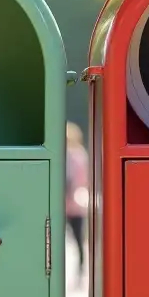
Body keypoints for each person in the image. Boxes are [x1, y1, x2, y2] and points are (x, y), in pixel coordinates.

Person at [66, 122, 90, 286]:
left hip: (74, 203)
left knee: (77, 238)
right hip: (70, 203)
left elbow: (81, 179)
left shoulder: (77, 155)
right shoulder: (77, 155)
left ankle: (80, 270)